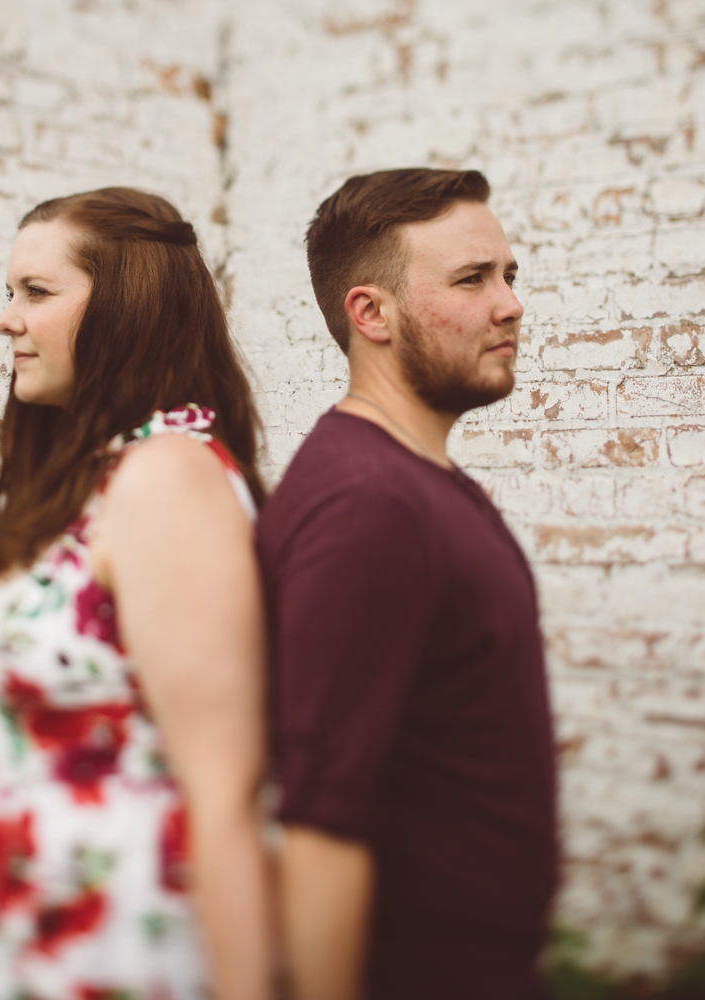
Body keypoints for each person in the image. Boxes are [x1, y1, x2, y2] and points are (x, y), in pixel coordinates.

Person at [0, 188, 273, 1000]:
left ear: (127, 308)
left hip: (114, 950)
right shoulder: (102, 475)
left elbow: (226, 795)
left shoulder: (168, 478)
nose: (7, 319)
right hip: (19, 936)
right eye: (11, 292)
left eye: (35, 292)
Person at [257, 168, 559, 999]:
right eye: (472, 280)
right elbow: (321, 823)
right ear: (371, 314)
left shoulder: (406, 479)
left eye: (509, 275)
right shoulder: (369, 509)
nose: (511, 305)